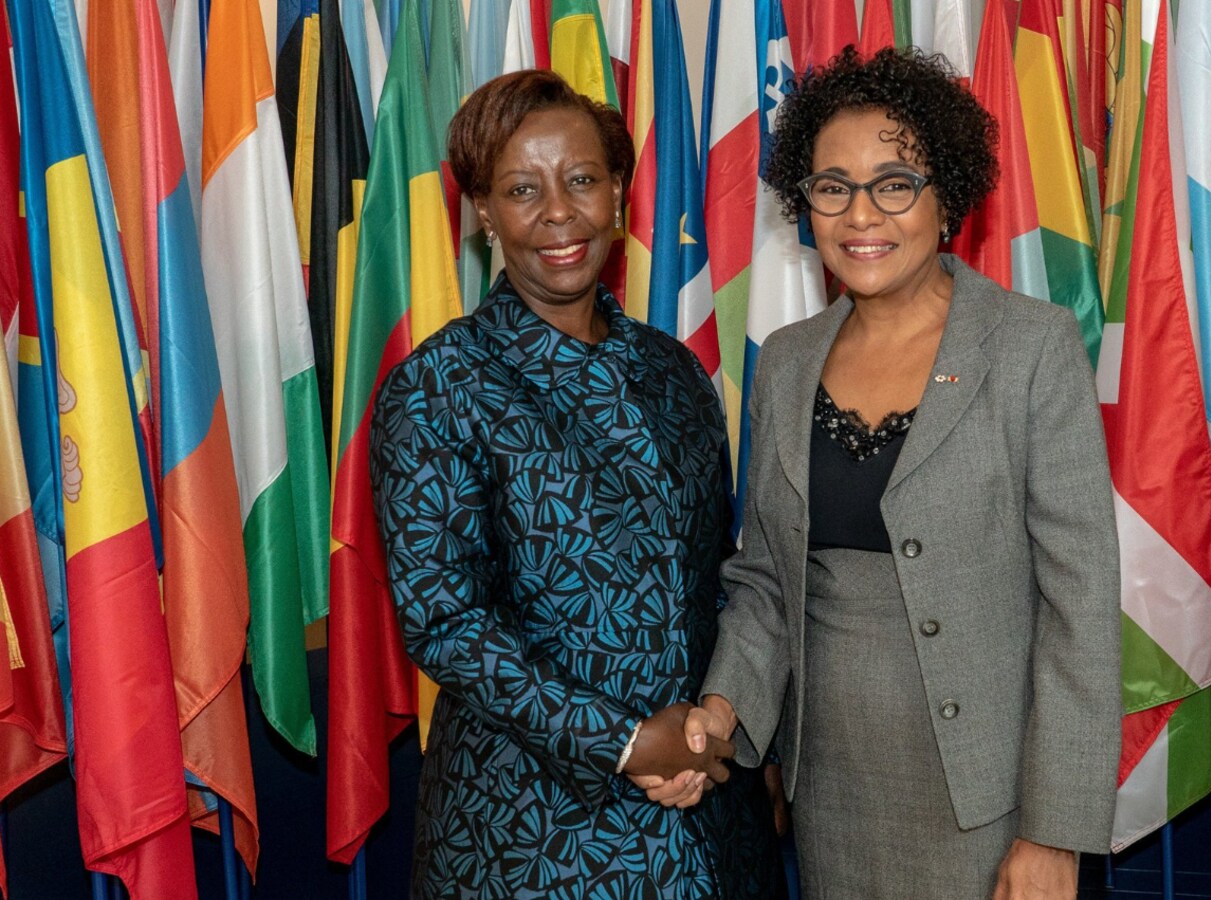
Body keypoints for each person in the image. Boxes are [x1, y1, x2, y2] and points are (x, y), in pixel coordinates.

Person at [687, 47, 1123, 899]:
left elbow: (1081, 603)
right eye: (832, 187)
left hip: (993, 804)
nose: (862, 214)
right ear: (802, 202)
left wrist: (1053, 831)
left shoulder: (1031, 346)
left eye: (894, 183)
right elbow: (770, 580)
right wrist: (722, 710)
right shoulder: (785, 361)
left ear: (946, 197)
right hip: (833, 799)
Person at [369, 70, 782, 899]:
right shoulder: (440, 384)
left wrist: (716, 721)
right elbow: (446, 622)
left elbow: (719, 578)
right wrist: (627, 743)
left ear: (620, 193)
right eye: (523, 189)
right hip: (535, 839)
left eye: (583, 179)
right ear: (484, 210)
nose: (560, 212)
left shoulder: (675, 373)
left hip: (708, 829)